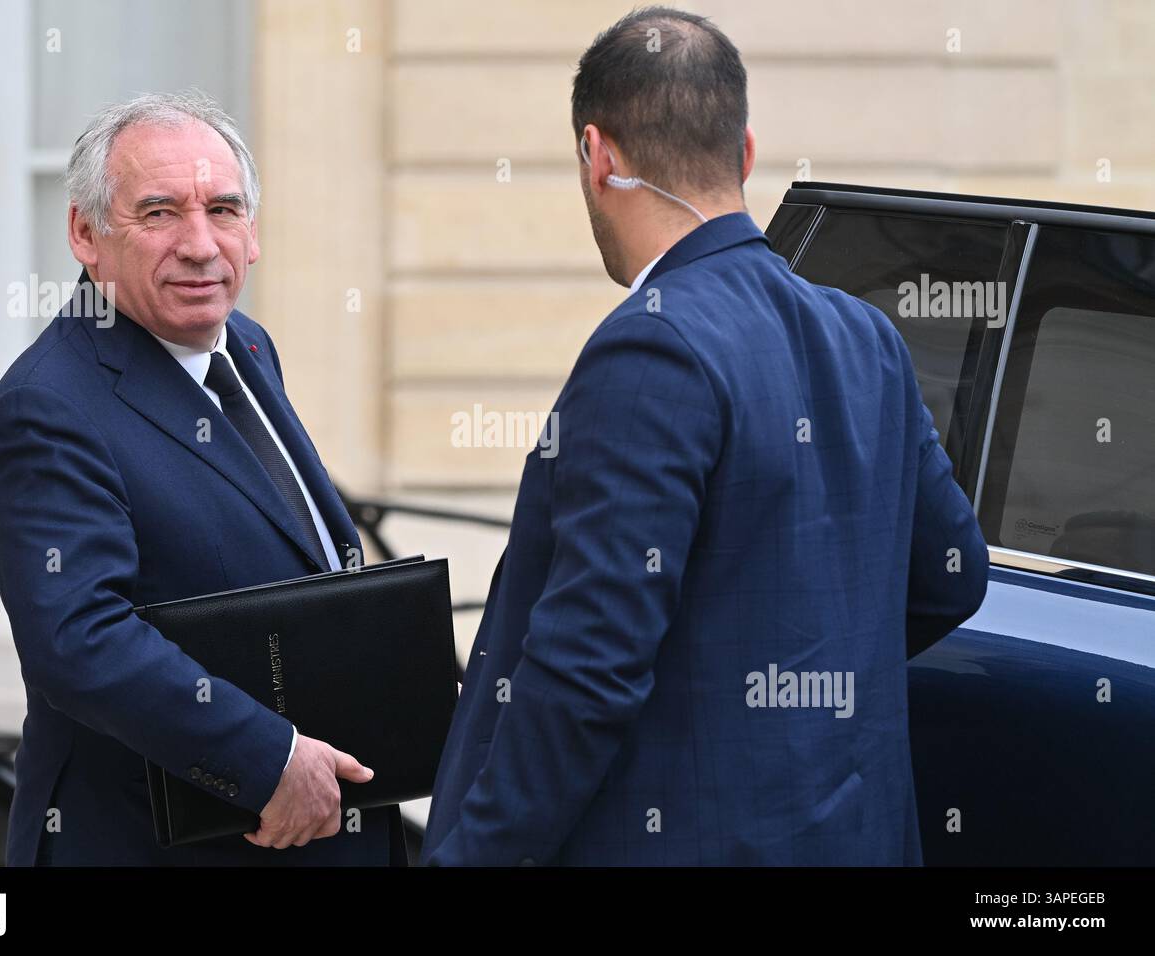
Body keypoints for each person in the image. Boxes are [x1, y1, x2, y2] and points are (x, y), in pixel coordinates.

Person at [422, 6, 988, 866]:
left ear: (596, 155)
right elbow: (955, 576)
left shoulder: (648, 344)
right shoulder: (867, 335)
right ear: (747, 153)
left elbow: (588, 672)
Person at [0, 91, 403, 866]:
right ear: (86, 233)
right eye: (160, 212)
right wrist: (267, 759)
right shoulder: (47, 406)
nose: (201, 245)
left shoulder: (245, 343)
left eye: (225, 210)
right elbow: (80, 641)